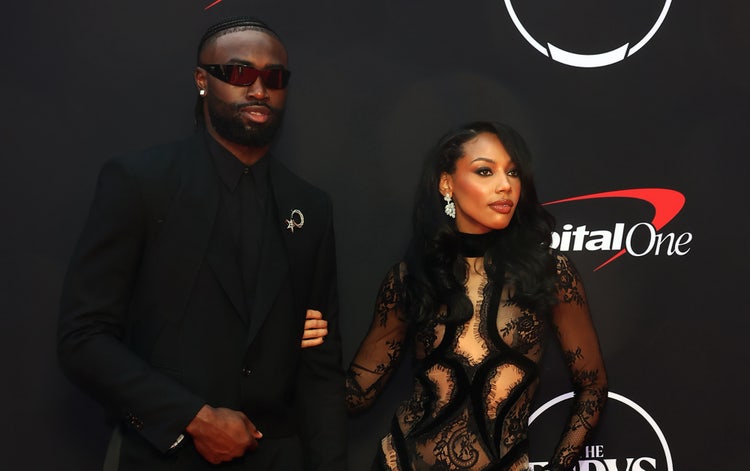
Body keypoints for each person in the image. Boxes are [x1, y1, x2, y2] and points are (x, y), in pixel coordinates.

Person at [57, 16, 346, 470]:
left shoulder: (310, 205)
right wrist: (193, 418)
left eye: (274, 78)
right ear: (201, 80)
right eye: (238, 73)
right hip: (162, 455)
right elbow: (83, 338)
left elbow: (320, 368)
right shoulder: (140, 182)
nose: (259, 90)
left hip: (278, 457)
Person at [344, 121, 608, 470]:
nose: (505, 185)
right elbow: (358, 392)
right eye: (485, 171)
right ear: (446, 183)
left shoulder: (550, 273)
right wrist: (295, 347)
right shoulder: (412, 278)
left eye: (513, 172)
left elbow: (592, 386)